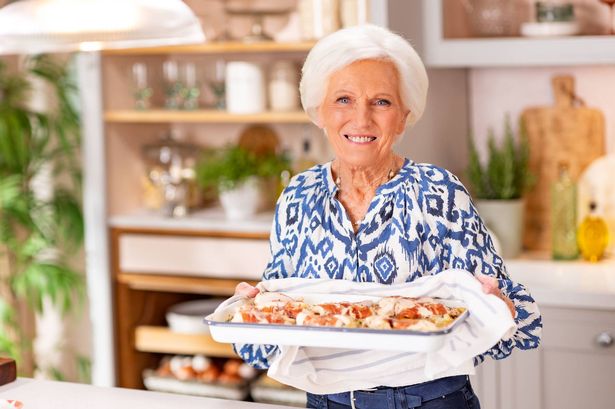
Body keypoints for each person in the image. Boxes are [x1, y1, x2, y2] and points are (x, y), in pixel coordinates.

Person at [233, 24, 542, 409]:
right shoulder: (298, 196)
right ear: (319, 112)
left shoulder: (438, 192)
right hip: (328, 401)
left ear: (403, 116)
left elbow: (521, 323)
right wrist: (253, 314)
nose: (361, 120)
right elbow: (273, 329)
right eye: (343, 99)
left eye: (381, 102)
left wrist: (499, 306)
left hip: (428, 401)